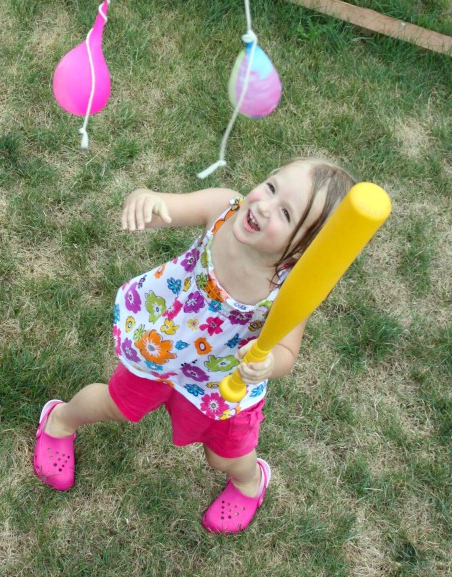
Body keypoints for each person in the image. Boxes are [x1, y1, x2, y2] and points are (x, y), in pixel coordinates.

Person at [32, 157, 356, 533]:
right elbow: (164, 207)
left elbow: (286, 351)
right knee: (116, 404)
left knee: (225, 455)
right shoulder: (223, 208)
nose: (264, 205)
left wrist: (268, 364)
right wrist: (147, 201)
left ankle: (249, 482)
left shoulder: (294, 289)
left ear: (303, 252)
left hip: (220, 380)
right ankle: (59, 421)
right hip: (165, 347)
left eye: (285, 213)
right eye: (270, 187)